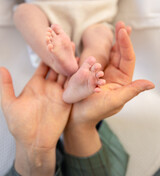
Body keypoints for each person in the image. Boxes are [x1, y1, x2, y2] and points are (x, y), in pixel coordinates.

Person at [0, 23, 154, 176]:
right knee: (100, 38)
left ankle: (65, 66)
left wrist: (35, 152)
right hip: (71, 15)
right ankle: (74, 71)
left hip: (56, 18)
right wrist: (81, 125)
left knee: (99, 37)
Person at [0, 0, 134, 103]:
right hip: (47, 14)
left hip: (93, 17)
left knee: (100, 39)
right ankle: (56, 61)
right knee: (24, 13)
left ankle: (82, 79)